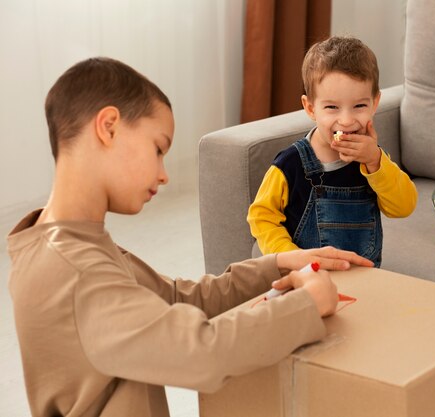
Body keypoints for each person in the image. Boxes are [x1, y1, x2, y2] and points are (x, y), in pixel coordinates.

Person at [6, 57, 374, 417]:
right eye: (158, 148)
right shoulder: (75, 271)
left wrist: (275, 265)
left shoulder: (69, 244)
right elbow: (203, 352)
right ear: (108, 127)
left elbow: (174, 298)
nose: (165, 175)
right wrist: (307, 305)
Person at [247, 36, 418, 267]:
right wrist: (288, 256)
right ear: (310, 108)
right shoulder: (289, 165)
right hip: (306, 279)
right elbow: (262, 216)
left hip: (366, 278)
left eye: (359, 106)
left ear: (375, 103)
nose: (346, 121)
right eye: (331, 107)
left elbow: (404, 207)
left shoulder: (372, 160)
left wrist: (375, 161)